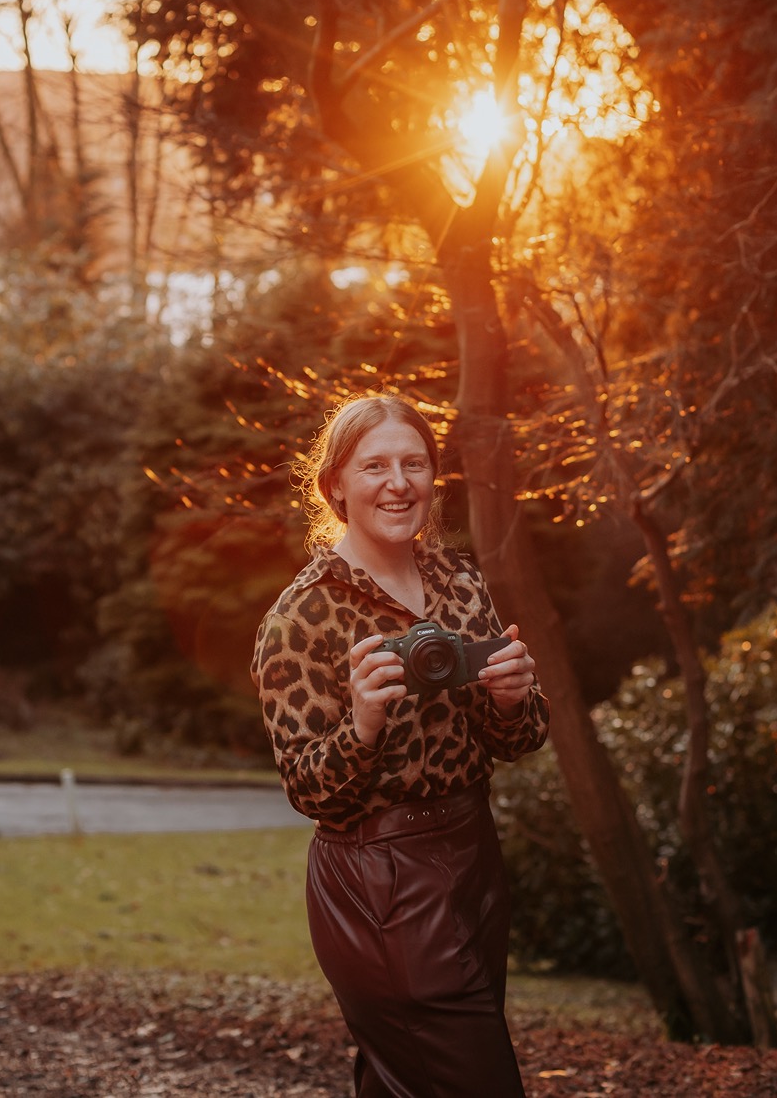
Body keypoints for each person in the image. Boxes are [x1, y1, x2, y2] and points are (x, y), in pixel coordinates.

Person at [251, 394, 550, 1098]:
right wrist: (360, 726)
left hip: (473, 857)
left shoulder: (458, 580)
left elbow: (517, 736)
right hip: (378, 879)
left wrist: (513, 698)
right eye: (375, 465)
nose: (398, 482)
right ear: (336, 487)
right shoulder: (300, 615)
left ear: (432, 478)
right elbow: (308, 788)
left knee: (405, 1084)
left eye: (414, 463)